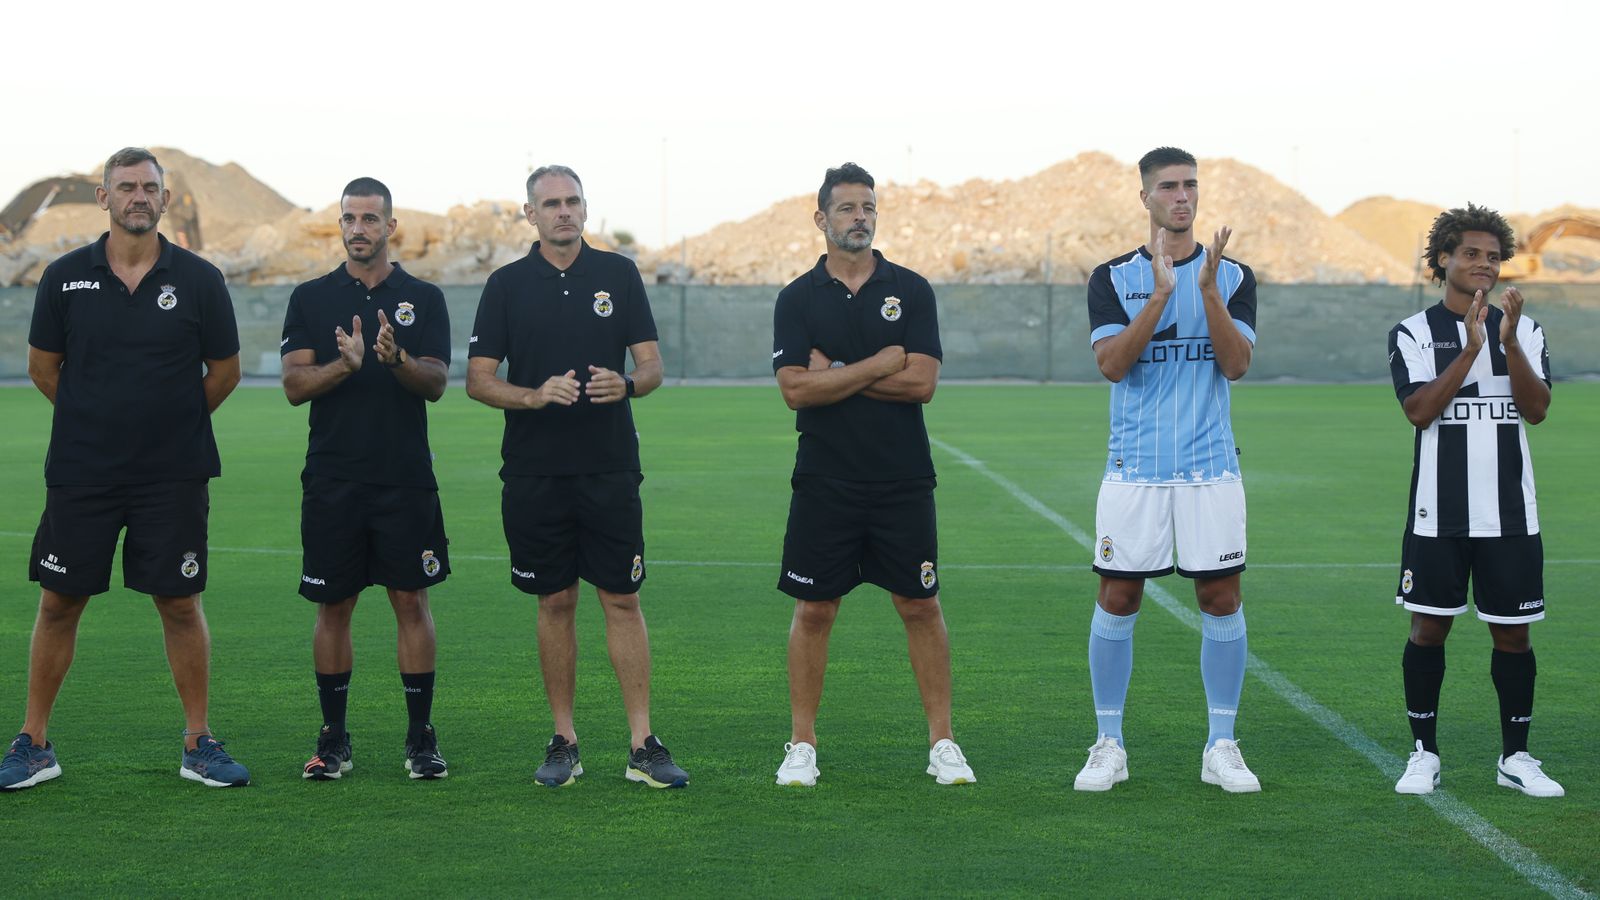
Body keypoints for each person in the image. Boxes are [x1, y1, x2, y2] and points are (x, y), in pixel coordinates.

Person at [1, 147, 248, 790]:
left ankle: (199, 741)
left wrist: (170, 425)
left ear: (164, 200)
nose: (138, 196)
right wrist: (95, 420)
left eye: (149, 187)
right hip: (83, 472)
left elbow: (224, 373)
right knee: (59, 602)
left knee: (179, 602)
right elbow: (42, 368)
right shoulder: (63, 276)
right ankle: (33, 743)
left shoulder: (200, 279)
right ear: (104, 199)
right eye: (125, 186)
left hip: (173, 475)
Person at [466, 165, 687, 789]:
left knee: (622, 598)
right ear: (529, 215)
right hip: (535, 473)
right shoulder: (506, 284)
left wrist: (629, 384)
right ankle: (564, 740)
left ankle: (643, 743)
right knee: (555, 600)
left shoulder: (618, 274)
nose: (564, 212)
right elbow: (478, 379)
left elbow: (652, 366)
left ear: (585, 209)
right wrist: (535, 396)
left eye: (573, 201)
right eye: (551, 204)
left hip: (610, 469)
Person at [771, 162, 975, 788]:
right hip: (825, 480)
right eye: (847, 208)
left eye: (868, 207)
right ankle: (802, 743)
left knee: (920, 605)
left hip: (901, 479)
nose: (859, 217)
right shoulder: (796, 297)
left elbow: (923, 383)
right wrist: (881, 362)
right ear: (822, 218)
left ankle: (942, 741)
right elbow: (794, 391)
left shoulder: (911, 290)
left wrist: (838, 371)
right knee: (815, 609)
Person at [1076, 147, 1260, 793]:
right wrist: (1159, 296)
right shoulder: (1111, 278)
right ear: (1146, 198)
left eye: (1190, 186)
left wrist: (1205, 290)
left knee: (1220, 597)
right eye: (1168, 188)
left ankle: (1221, 744)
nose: (1182, 197)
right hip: (1135, 469)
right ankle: (1108, 743)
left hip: (1210, 468)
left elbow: (1235, 364)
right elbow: (1112, 364)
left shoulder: (1233, 277)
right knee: (1119, 596)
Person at [1388, 204, 1562, 798]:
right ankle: (1423, 754)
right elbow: (1420, 410)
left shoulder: (1529, 330)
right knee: (1428, 628)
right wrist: (1470, 347)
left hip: (1510, 515)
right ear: (1443, 259)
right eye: (1470, 254)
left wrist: (1506, 341)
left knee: (1513, 635)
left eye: (1492, 256)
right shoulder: (1412, 333)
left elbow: (1536, 410)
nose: (1483, 265)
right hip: (1438, 513)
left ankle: (1516, 757)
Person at [280, 177, 452, 781]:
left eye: (370, 219)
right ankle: (333, 738)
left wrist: (396, 359)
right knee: (334, 604)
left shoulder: (424, 297)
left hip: (404, 479)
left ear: (390, 226)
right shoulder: (309, 297)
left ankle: (420, 737)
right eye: (349, 218)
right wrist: (344, 367)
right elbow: (295, 386)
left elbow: (435, 382)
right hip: (333, 479)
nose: (359, 229)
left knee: (411, 600)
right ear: (341, 225)